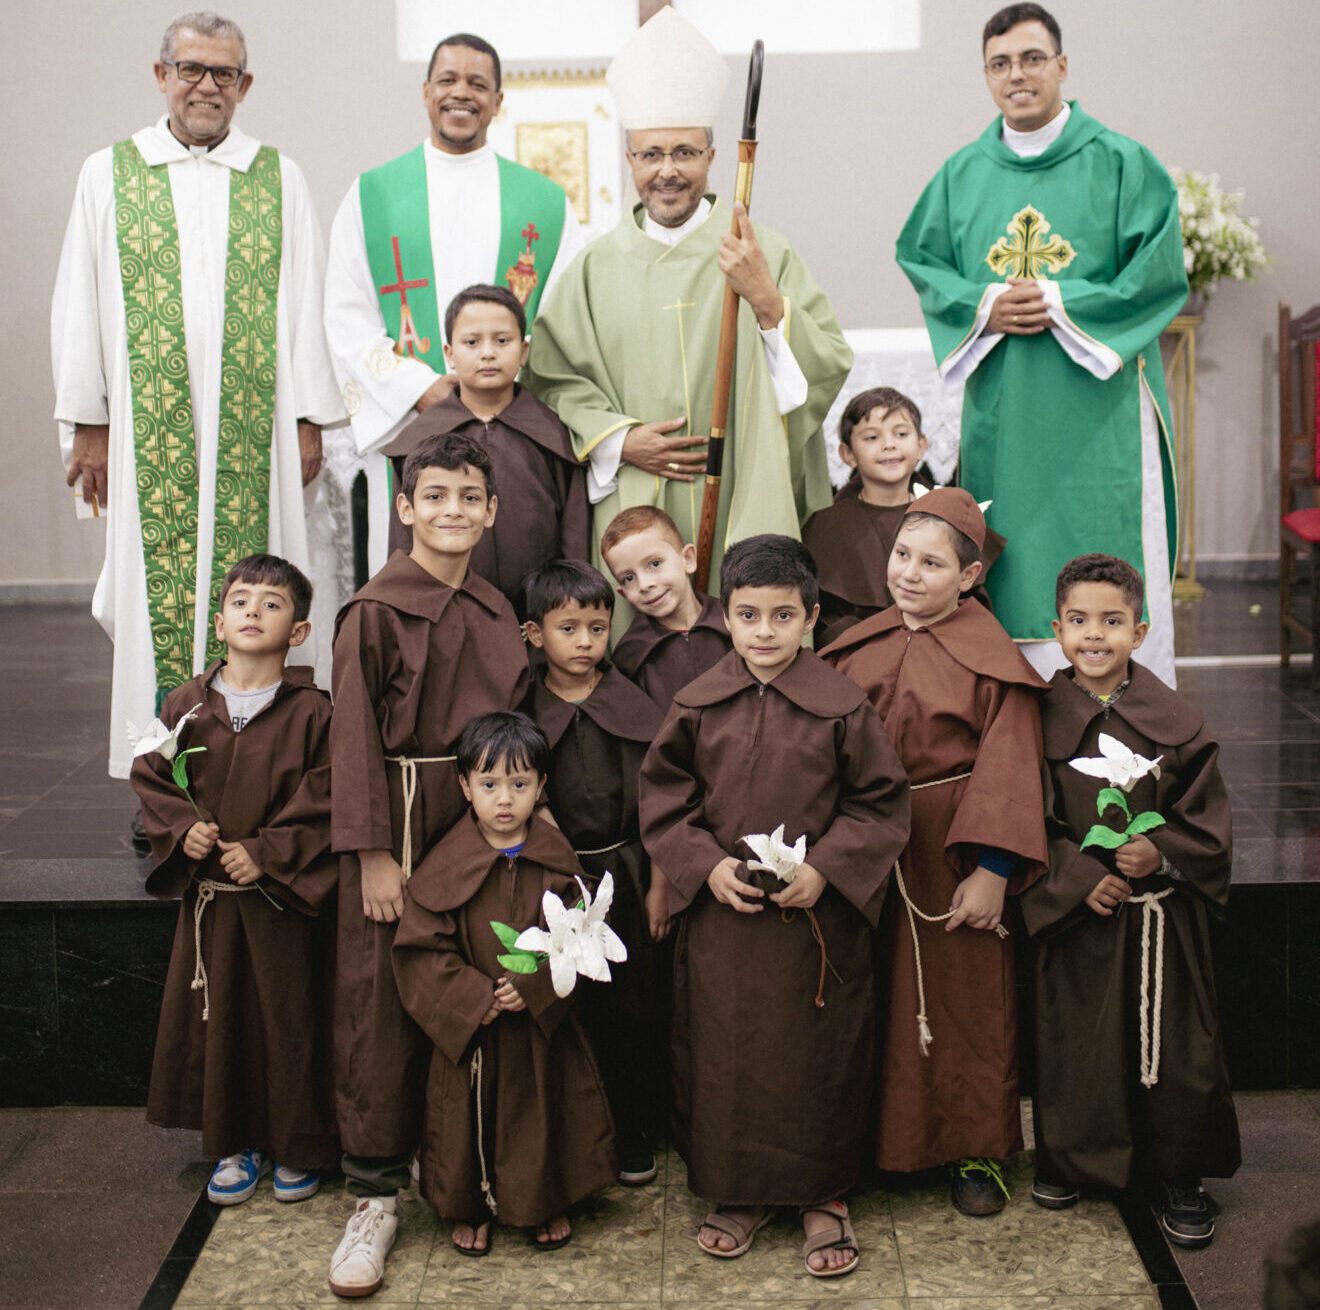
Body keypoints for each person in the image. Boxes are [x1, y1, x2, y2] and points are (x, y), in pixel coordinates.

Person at [53, 10, 344, 780]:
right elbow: (78, 303)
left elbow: (307, 299)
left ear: (245, 86)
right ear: (162, 77)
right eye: (191, 69)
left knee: (258, 585)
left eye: (224, 74)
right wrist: (89, 422)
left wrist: (311, 418)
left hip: (255, 433)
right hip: (153, 439)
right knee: (156, 604)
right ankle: (161, 775)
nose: (206, 86)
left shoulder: (277, 176)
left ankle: (255, 774)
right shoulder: (109, 172)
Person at [640, 535, 909, 1277]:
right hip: (725, 924)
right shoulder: (697, 705)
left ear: (812, 617)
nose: (765, 632)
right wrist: (707, 865)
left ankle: (825, 1195)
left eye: (783, 615)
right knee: (727, 1056)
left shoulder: (843, 708)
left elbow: (879, 804)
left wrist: (827, 869)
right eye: (749, 615)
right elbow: (666, 801)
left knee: (818, 1058)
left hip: (815, 925)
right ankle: (738, 1190)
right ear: (726, 616)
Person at [895, 3, 1187, 682]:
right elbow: (921, 258)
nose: (1016, 75)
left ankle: (1126, 699)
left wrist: (1059, 301)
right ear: (987, 76)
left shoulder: (1122, 162)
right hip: (1007, 404)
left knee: (1105, 540)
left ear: (1061, 65)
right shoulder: (961, 174)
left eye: (1031, 59)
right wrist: (987, 303)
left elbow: (1159, 272)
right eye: (1000, 64)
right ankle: (1015, 701)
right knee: (1016, 553)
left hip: (1100, 404)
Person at [526, 7, 852, 609]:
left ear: (710, 157)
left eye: (684, 152)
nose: (667, 171)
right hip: (633, 497)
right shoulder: (594, 269)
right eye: (651, 155)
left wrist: (766, 301)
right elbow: (549, 379)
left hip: (738, 493)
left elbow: (826, 362)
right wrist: (619, 442)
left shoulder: (761, 250)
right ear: (630, 160)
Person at [327, 432, 528, 1297]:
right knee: (383, 994)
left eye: (468, 497)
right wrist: (373, 853)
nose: (453, 510)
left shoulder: (493, 610)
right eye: (434, 495)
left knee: (472, 979)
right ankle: (373, 1192)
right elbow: (352, 739)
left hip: (482, 820)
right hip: (400, 821)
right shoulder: (374, 611)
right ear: (404, 509)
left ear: (491, 511)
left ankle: (463, 1166)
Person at [822, 489, 1048, 1215]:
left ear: (971, 577)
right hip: (863, 846)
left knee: (961, 1001)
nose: (909, 574)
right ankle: (876, 1144)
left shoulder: (993, 659)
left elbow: (1010, 765)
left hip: (950, 847)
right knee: (875, 995)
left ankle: (973, 1148)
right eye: (901, 556)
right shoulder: (857, 644)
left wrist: (993, 870)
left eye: (931, 562)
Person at [1021, 554, 1240, 1246]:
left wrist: (1164, 851)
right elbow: (1026, 817)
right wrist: (1081, 877)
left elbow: (1206, 816)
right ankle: (1075, 1161)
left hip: (1161, 920)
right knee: (1078, 1044)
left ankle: (1180, 1173)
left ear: (1140, 631)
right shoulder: (1035, 719)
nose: (1094, 636)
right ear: (1056, 630)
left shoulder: (1174, 718)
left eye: (1112, 622)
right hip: (1082, 919)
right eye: (1079, 621)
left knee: (1172, 1047)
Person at [325, 32, 584, 575]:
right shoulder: (373, 195)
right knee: (417, 583)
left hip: (511, 428)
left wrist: (496, 395)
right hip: (415, 418)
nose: (460, 94)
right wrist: (424, 389)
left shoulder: (544, 203)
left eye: (477, 84)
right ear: (425, 92)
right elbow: (346, 315)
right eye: (447, 80)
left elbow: (568, 326)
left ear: (498, 100)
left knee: (514, 565)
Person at [130, 554, 337, 1208]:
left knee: (289, 1019)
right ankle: (234, 1143)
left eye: (272, 604)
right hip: (213, 901)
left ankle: (297, 1144)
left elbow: (330, 796)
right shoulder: (186, 705)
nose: (254, 611)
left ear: (298, 631)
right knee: (221, 1022)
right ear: (218, 620)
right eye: (242, 601)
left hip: (280, 901)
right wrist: (183, 830)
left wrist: (271, 850)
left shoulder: (314, 713)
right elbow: (152, 778)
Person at [392, 710, 617, 1255]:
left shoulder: (556, 860)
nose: (504, 799)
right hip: (476, 1030)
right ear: (465, 785)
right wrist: (473, 997)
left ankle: (543, 1202)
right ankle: (471, 1205)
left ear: (541, 787)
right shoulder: (446, 863)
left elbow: (583, 935)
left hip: (542, 1027)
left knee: (543, 1113)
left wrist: (538, 986)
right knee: (469, 1117)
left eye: (519, 784)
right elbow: (420, 950)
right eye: (489, 784)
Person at [521, 558, 669, 1186]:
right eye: (568, 629)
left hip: (631, 874)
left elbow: (664, 794)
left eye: (597, 628)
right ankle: (578, 1132)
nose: (585, 643)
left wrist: (662, 880)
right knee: (567, 1008)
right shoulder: (525, 707)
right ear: (535, 635)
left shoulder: (631, 702)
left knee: (633, 1005)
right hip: (558, 880)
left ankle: (637, 1129)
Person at [380, 285, 589, 617]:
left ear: (523, 351)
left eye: (502, 341)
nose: (488, 353)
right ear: (449, 354)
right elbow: (403, 544)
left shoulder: (554, 437)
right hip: (444, 615)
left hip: (539, 620)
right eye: (472, 342)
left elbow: (576, 540)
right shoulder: (418, 443)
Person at [803, 386, 1005, 644]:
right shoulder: (828, 526)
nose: (889, 445)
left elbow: (973, 610)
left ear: (922, 446)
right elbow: (826, 620)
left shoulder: (951, 516)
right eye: (871, 438)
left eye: (900, 434)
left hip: (942, 649)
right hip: (859, 655)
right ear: (848, 454)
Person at [601, 506, 732, 708]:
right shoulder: (631, 658)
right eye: (628, 578)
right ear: (623, 593)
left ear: (687, 559)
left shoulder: (733, 626)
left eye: (654, 564)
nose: (644, 585)